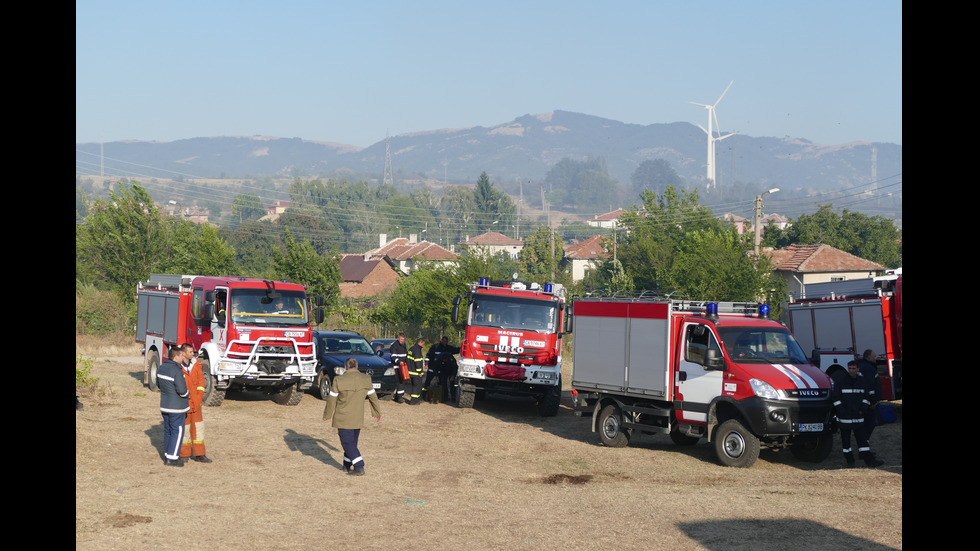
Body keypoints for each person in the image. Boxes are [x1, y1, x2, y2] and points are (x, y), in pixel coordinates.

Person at [322, 358, 382, 475]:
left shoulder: (339, 380)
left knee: (347, 443)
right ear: (357, 366)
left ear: (345, 367)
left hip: (343, 418)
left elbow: (331, 400)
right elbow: (373, 397)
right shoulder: (366, 379)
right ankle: (346, 465)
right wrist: (376, 413)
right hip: (358, 418)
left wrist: (327, 415)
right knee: (352, 443)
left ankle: (359, 466)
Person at [832, 361, 884, 468]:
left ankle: (869, 461)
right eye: (850, 368)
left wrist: (863, 410)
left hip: (858, 417)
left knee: (863, 441)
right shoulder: (840, 382)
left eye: (853, 368)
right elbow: (836, 398)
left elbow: (866, 397)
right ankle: (850, 461)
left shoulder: (862, 382)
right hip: (844, 419)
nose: (851, 370)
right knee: (846, 443)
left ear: (858, 369)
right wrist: (842, 411)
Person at [179, 343, 212, 463]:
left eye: (193, 352)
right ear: (183, 353)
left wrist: (198, 399)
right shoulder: (177, 366)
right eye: (190, 352)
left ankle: (200, 454)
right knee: (184, 430)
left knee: (198, 430)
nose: (193, 354)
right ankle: (184, 455)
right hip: (183, 404)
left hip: (196, 404)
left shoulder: (196, 365)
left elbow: (201, 383)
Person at [157, 346, 190, 467]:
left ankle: (168, 454)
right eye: (182, 355)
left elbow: (158, 384)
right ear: (176, 356)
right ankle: (172, 458)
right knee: (177, 431)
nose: (183, 358)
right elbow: (182, 390)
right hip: (177, 407)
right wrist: (187, 394)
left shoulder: (162, 367)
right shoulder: (176, 370)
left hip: (164, 405)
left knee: (168, 430)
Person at [423, 336, 460, 403]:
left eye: (446, 342)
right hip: (437, 369)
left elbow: (455, 367)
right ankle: (425, 395)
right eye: (444, 341)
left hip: (449, 370)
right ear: (441, 340)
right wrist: (426, 364)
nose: (445, 343)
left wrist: (453, 375)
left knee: (451, 384)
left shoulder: (451, 356)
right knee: (440, 383)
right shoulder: (435, 347)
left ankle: (452, 397)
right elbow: (429, 358)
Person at [857, 349, 883, 441]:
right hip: (868, 403)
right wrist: (873, 402)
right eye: (874, 356)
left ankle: (864, 444)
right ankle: (864, 444)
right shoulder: (869, 369)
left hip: (862, 401)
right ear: (868, 357)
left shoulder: (861, 366)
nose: (876, 358)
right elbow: (870, 387)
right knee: (870, 423)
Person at [405, 338, 427, 405]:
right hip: (416, 372)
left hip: (411, 371)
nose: (423, 346)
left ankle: (416, 399)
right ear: (420, 342)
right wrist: (419, 372)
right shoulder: (417, 350)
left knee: (414, 385)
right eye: (423, 344)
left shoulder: (411, 349)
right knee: (416, 386)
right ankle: (413, 401)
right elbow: (417, 361)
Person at [389, 334, 409, 403]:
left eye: (403, 340)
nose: (402, 341)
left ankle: (398, 396)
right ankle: (399, 397)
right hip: (397, 366)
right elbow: (393, 357)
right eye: (401, 339)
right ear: (398, 339)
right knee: (399, 381)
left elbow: (406, 355)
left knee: (403, 381)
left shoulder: (404, 345)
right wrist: (398, 362)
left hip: (403, 366)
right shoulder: (394, 346)